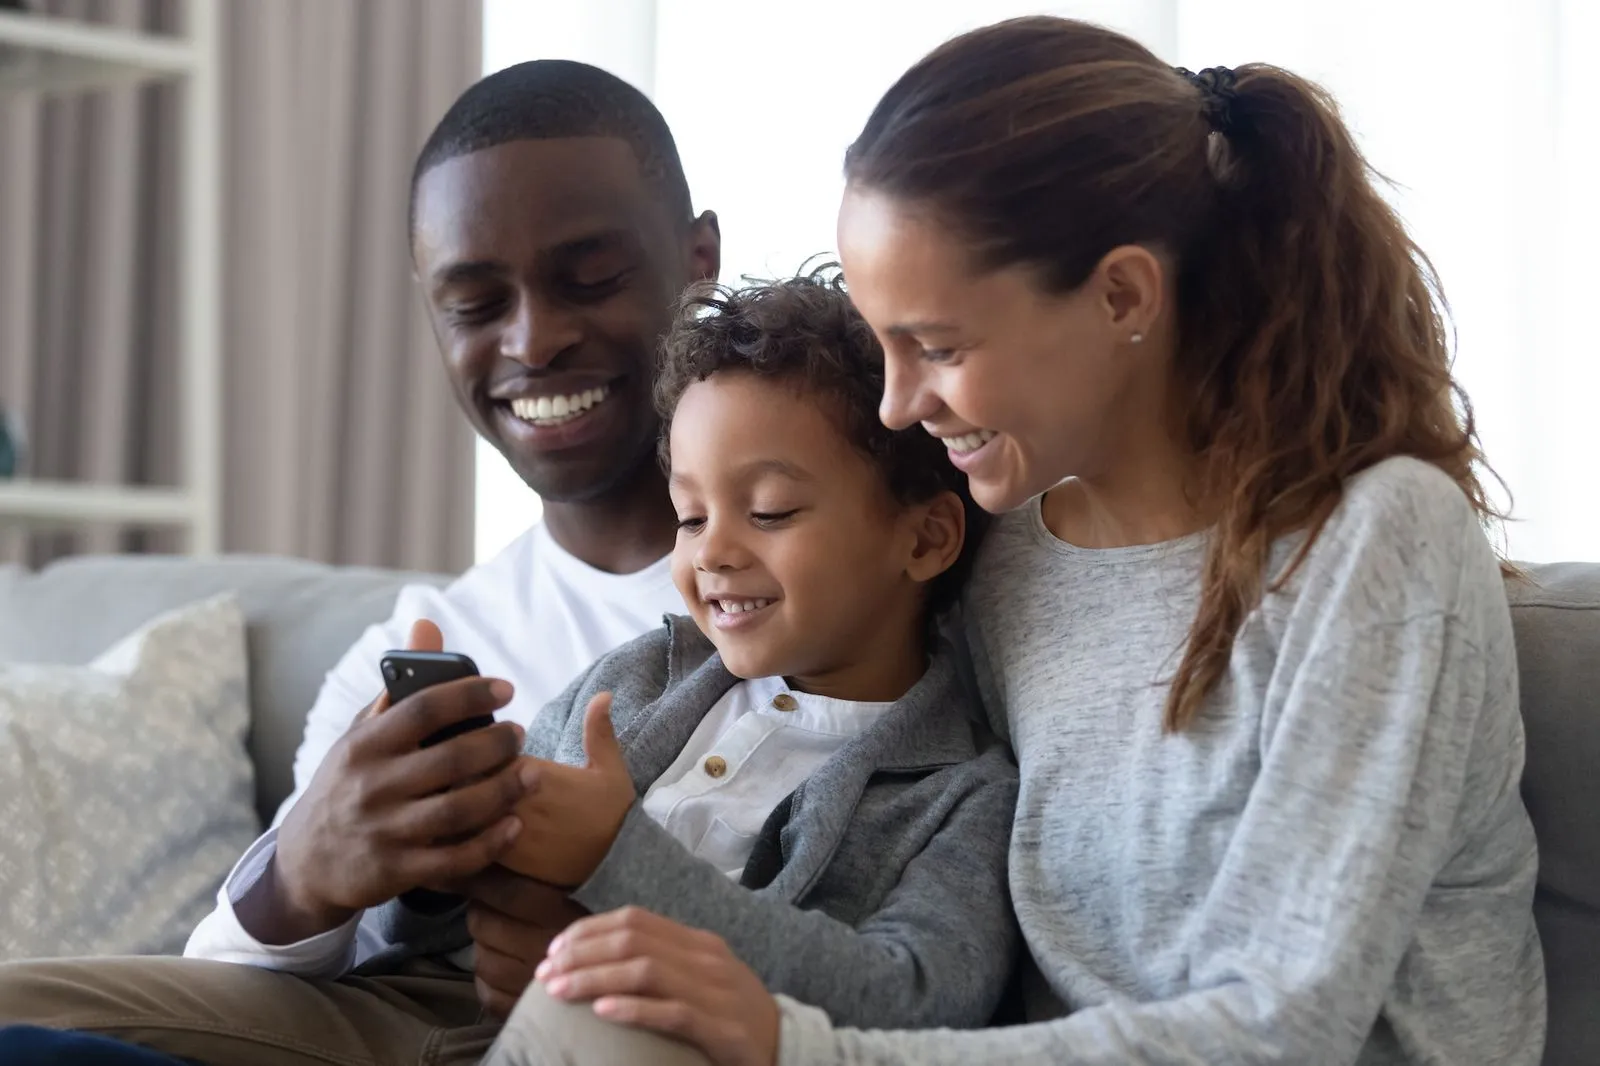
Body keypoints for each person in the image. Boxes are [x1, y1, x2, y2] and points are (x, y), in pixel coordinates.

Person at [505, 16, 1547, 1066]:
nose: (900, 405)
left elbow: (1282, 1025)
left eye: (939, 346)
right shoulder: (1007, 556)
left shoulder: (1376, 540)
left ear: (1121, 295)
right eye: (885, 347)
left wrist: (800, 1047)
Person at [0, 58, 722, 1065]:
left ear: (699, 260)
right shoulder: (426, 642)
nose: (534, 339)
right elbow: (213, 1006)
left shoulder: (836, 578)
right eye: (473, 305)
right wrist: (306, 869)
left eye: (588, 279)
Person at [375, 270, 1017, 1055]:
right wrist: (440, 848)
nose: (711, 550)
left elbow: (919, 997)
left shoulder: (961, 792)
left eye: (770, 511)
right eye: (689, 514)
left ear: (924, 540)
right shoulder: (637, 681)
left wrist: (616, 858)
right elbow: (423, 930)